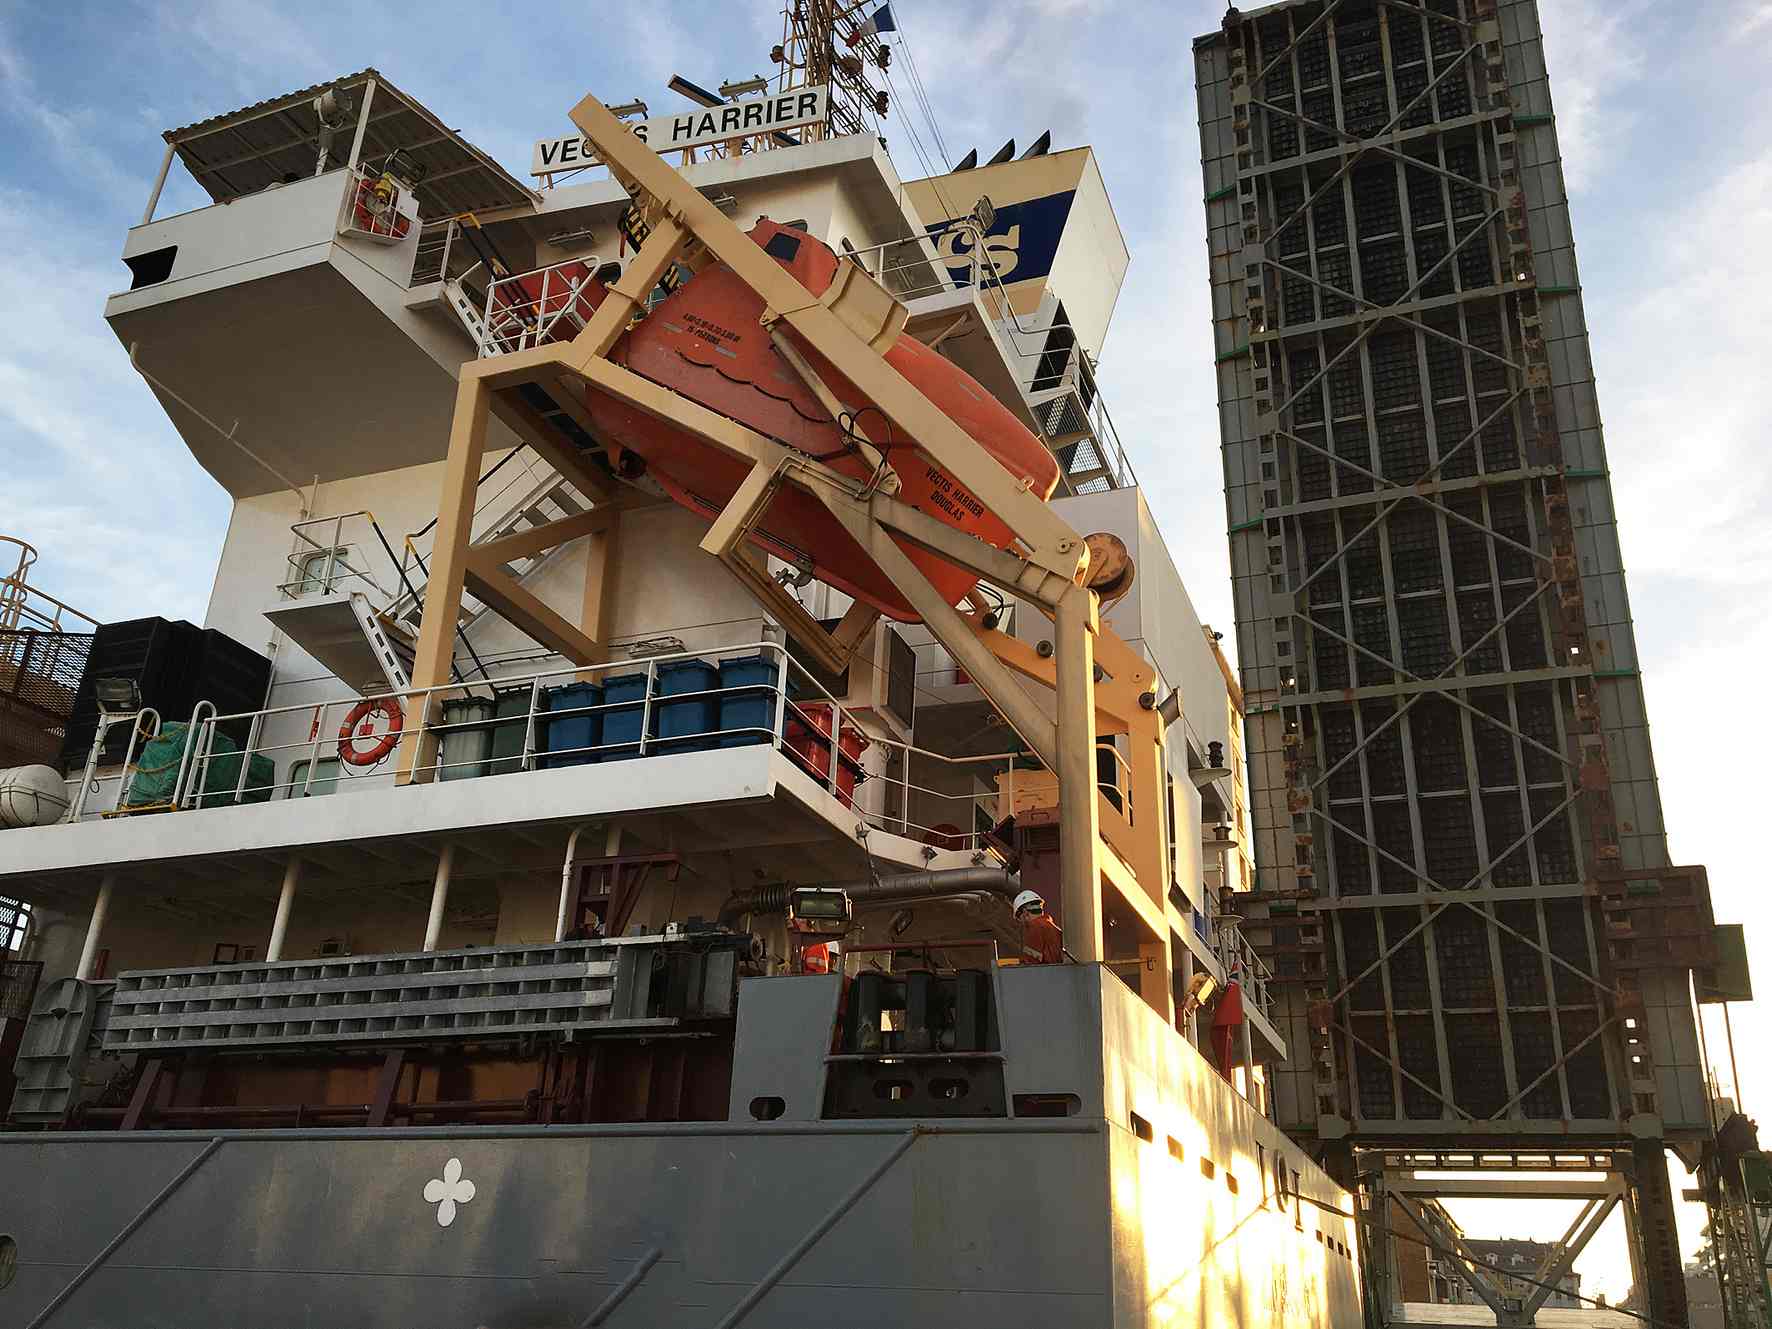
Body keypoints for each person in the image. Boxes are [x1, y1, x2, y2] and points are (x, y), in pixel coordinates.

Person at [1013, 889, 1063, 965]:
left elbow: (1029, 963)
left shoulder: (1035, 927)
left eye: (1019, 919)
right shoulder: (1052, 927)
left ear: (1025, 913)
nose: (1022, 924)